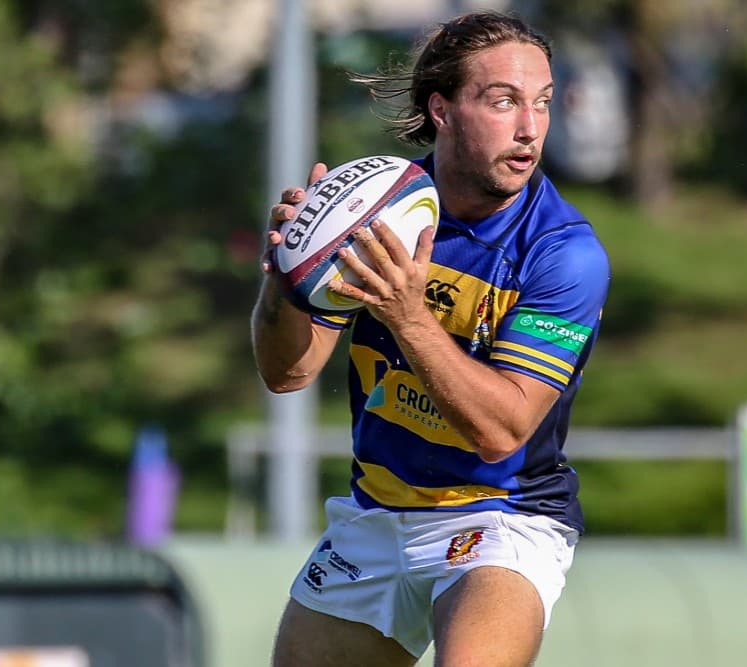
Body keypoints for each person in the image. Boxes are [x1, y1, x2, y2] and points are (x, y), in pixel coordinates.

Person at [252, 10, 610, 667]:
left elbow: (502, 430)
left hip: (501, 518)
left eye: (543, 102)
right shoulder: (377, 214)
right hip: (377, 513)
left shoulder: (563, 253)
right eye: (503, 101)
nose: (530, 127)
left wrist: (408, 316)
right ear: (442, 110)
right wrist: (287, 272)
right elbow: (289, 372)